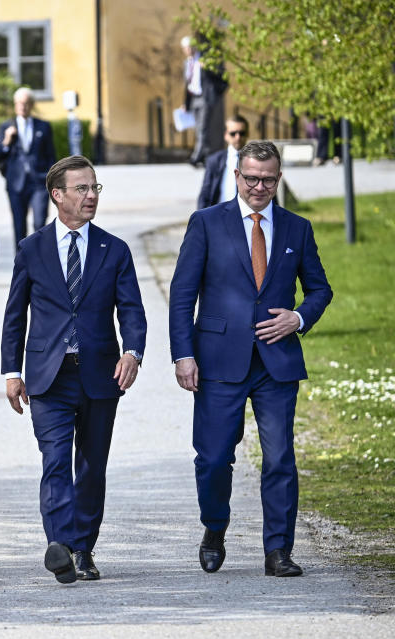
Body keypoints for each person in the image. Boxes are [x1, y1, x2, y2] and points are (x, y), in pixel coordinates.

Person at [169, 140, 333, 577]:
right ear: (237, 176)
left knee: (280, 457)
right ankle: (214, 528)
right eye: (251, 178)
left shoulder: (297, 228)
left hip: (276, 362)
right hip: (218, 360)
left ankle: (278, 550)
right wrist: (183, 355)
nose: (259, 186)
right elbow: (183, 295)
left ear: (279, 179)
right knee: (214, 457)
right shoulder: (206, 223)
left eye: (268, 179)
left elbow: (320, 289)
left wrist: (297, 318)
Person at [1, 155, 146, 584]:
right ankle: (61, 546)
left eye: (95, 188)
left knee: (91, 465)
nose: (90, 197)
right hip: (48, 375)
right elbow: (15, 316)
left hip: (102, 373)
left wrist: (133, 352)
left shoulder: (114, 249)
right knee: (55, 462)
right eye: (81, 189)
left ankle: (84, 547)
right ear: (57, 195)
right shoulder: (31, 249)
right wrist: (11, 372)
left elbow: (132, 310)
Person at [0, 87, 57, 249]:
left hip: (39, 182)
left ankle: (40, 261)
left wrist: (53, 180)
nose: (22, 106)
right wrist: (6, 140)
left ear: (32, 105)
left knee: (39, 223)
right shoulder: (6, 126)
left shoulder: (43, 126)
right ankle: (22, 265)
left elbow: (51, 156)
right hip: (16, 183)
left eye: (26, 103)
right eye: (19, 103)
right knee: (19, 225)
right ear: (15, 105)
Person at [181, 35, 228, 166]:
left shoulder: (206, 60)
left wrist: (206, 67)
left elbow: (220, 76)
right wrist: (186, 103)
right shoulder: (187, 63)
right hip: (194, 98)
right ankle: (206, 156)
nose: (188, 50)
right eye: (186, 48)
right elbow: (187, 84)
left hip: (205, 98)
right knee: (198, 129)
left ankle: (196, 156)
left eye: (190, 47)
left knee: (203, 128)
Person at [197, 115, 249, 210]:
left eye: (242, 133)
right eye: (233, 133)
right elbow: (206, 193)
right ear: (226, 135)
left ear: (247, 134)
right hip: (219, 217)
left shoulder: (256, 161)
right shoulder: (214, 161)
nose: (238, 137)